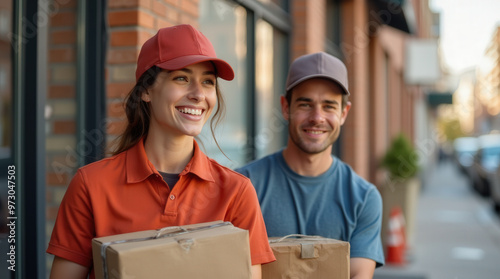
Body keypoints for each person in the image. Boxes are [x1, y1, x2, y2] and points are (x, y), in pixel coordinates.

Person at [47, 24, 275, 279]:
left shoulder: (236, 191)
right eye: (182, 78)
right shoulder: (91, 184)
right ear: (145, 90)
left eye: (208, 82)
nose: (199, 94)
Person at [236, 52, 384, 278]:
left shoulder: (363, 198)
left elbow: (358, 275)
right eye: (306, 104)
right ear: (286, 107)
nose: (317, 117)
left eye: (329, 106)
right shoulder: (243, 186)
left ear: (344, 113)